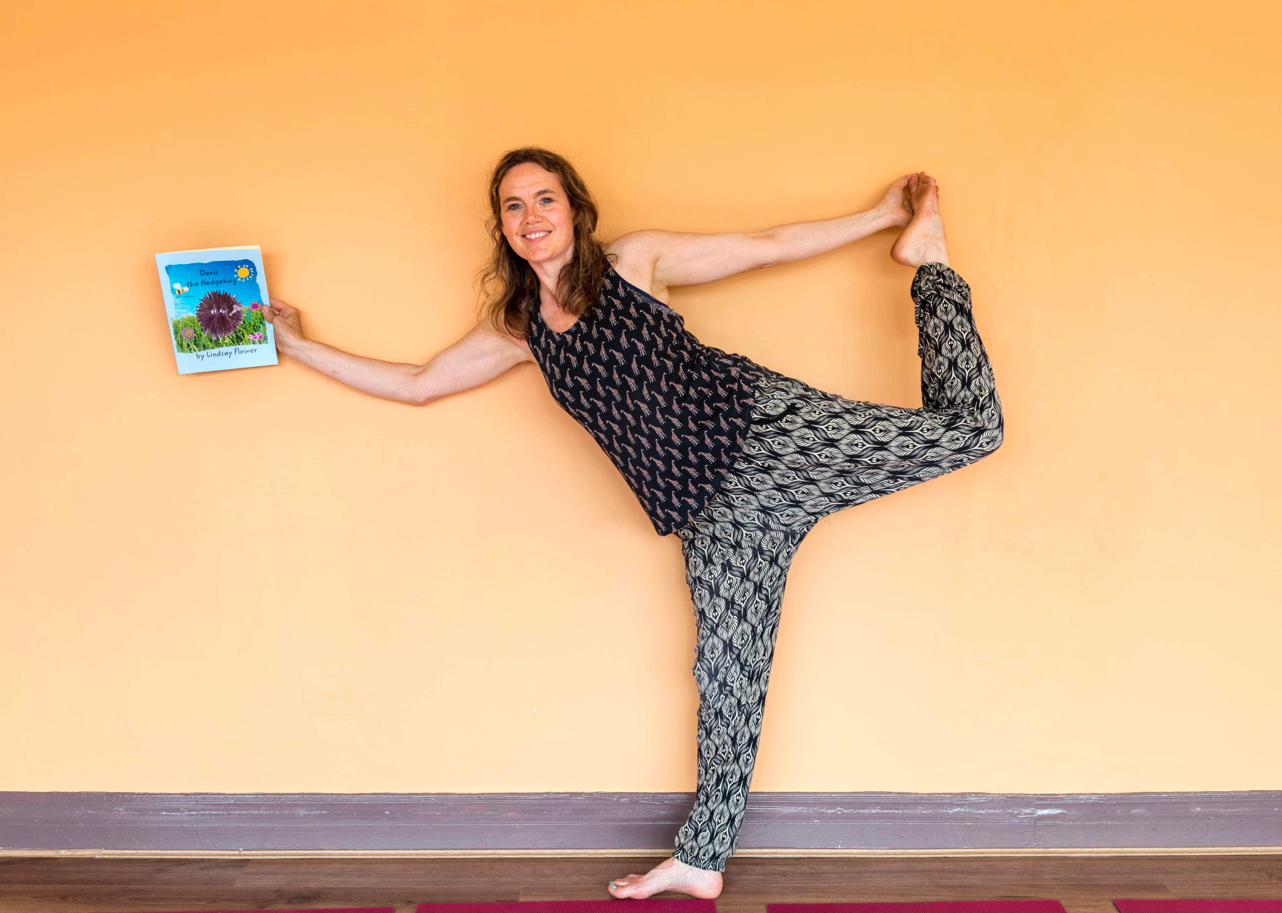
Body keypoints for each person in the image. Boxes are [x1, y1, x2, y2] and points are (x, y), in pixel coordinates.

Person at [265, 146, 1004, 900]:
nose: (531, 217)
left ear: (575, 209)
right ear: (501, 228)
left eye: (544, 199)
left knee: (973, 429)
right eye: (514, 207)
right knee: (726, 674)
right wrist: (297, 345)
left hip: (770, 433)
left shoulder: (632, 261)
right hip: (712, 515)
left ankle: (930, 263)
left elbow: (765, 247)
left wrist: (881, 218)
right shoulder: (522, 330)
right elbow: (418, 384)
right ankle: (702, 857)